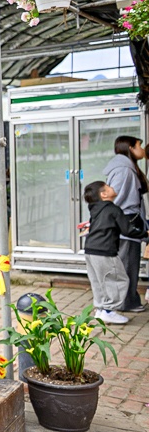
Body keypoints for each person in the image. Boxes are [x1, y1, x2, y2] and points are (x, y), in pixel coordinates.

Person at [83, 180, 146, 324]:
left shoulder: (95, 209)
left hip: (90, 250)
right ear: (104, 194)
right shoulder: (113, 209)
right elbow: (127, 230)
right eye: (109, 187)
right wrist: (145, 233)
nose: (113, 187)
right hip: (105, 251)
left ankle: (100, 309)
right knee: (119, 279)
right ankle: (109, 310)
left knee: (99, 280)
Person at [104, 136, 149, 312]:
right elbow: (115, 198)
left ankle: (128, 301)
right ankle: (125, 303)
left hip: (126, 223)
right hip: (126, 225)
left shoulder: (125, 168)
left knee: (128, 264)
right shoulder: (124, 170)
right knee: (128, 264)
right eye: (139, 145)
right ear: (130, 148)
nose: (142, 149)